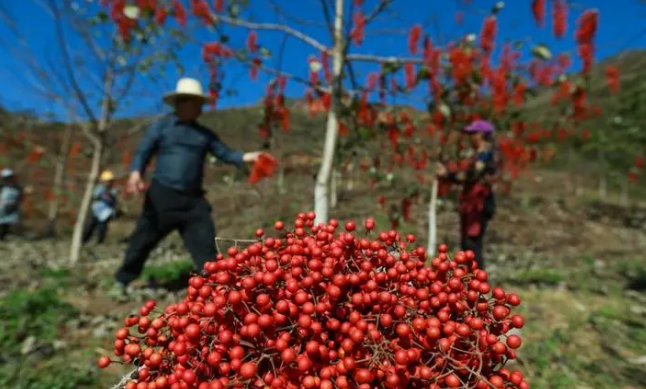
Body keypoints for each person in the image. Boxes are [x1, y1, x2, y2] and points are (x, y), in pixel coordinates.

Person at [111, 77, 265, 298]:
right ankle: (122, 280)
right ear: (180, 103)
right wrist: (136, 172)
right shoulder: (161, 128)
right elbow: (143, 152)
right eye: (194, 103)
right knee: (142, 240)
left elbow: (226, 153)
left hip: (193, 202)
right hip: (162, 197)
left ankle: (215, 287)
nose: (198, 108)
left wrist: (248, 157)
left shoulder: (204, 135)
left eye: (200, 104)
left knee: (205, 243)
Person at [435, 120, 497, 270]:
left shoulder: (485, 155)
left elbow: (471, 175)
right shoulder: (479, 155)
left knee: (472, 243)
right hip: (470, 203)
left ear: (481, 135)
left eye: (473, 134)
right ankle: (470, 281)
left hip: (477, 204)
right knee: (467, 243)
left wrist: (447, 175)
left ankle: (476, 282)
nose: (470, 138)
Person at [83, 170, 119, 245]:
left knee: (102, 229)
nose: (108, 183)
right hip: (95, 212)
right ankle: (84, 241)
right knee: (89, 227)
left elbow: (114, 202)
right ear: (102, 181)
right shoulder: (99, 189)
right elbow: (94, 196)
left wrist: (114, 212)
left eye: (109, 181)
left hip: (105, 214)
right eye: (106, 181)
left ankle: (99, 243)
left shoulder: (113, 191)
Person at [0, 169, 22, 240]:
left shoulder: (17, 187)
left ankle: (6, 235)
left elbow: (19, 197)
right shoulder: (2, 186)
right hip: (2, 207)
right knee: (2, 223)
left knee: (10, 223)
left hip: (12, 207)